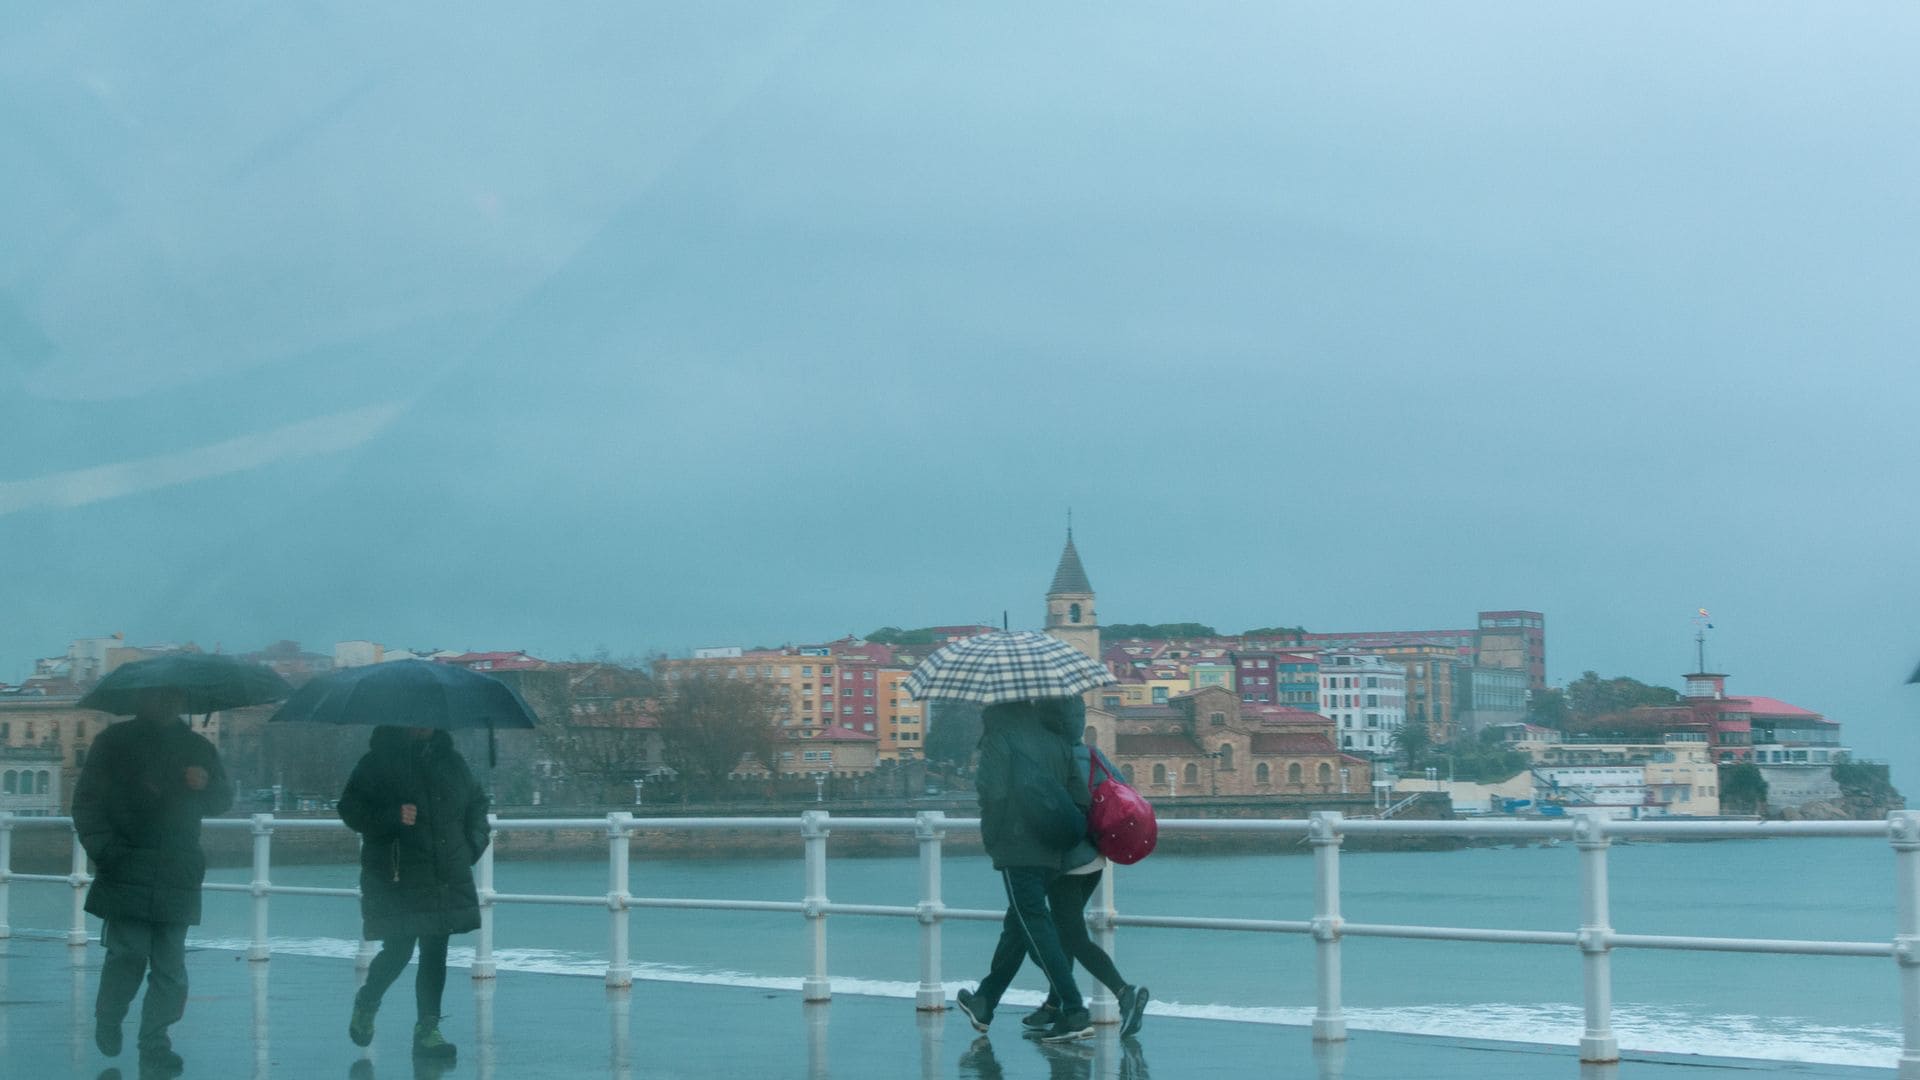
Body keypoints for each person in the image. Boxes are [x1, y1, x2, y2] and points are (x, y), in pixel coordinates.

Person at [71, 689, 234, 1073]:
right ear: (141, 700)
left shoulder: (196, 747)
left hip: (178, 868)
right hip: (126, 865)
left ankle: (155, 1042)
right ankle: (108, 1018)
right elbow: (87, 804)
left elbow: (221, 801)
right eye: (159, 697)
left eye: (172, 698)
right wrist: (107, 851)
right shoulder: (113, 744)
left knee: (170, 968)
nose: (166, 704)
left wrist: (205, 783)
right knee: (127, 955)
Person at [338, 726, 491, 1060]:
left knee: (436, 951)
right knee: (399, 950)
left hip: (443, 873)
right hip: (397, 874)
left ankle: (428, 1029)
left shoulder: (453, 762)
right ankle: (367, 1001)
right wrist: (391, 817)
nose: (424, 723)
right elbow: (349, 808)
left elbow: (477, 804)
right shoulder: (377, 762)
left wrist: (471, 845)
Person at [955, 696, 1095, 1042]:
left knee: (1033, 924)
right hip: (1054, 847)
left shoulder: (1000, 736)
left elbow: (993, 793)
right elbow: (1081, 798)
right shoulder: (1056, 737)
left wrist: (994, 838)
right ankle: (985, 1000)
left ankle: (1074, 1009)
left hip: (1018, 847)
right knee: (1017, 925)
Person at [1022, 712, 1149, 1038]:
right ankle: (1055, 1006)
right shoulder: (1094, 754)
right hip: (1095, 858)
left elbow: (1045, 811)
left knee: (1072, 938)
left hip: (1067, 862)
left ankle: (1124, 992)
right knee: (1067, 933)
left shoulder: (1050, 761)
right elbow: (1121, 788)